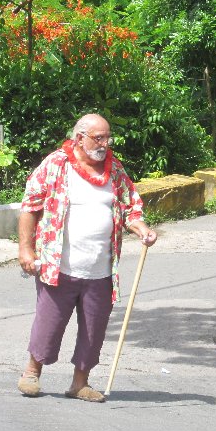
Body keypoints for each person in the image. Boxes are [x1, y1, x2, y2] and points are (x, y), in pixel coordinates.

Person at [16, 113, 157, 402]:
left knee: (94, 329)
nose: (105, 143)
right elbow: (29, 206)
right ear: (79, 138)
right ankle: (32, 373)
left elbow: (131, 206)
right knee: (49, 323)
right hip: (59, 266)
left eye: (108, 137)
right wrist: (25, 249)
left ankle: (80, 383)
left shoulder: (114, 170)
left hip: (100, 269)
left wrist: (142, 228)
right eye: (99, 138)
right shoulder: (56, 164)